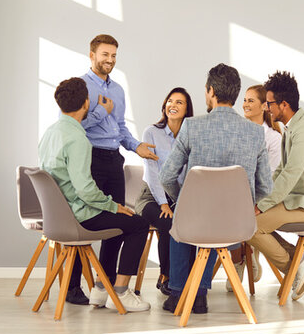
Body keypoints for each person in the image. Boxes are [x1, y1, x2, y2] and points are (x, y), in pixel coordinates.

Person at [159, 63, 272, 313]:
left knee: (184, 213)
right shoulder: (255, 133)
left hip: (196, 219)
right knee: (214, 220)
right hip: (236, 224)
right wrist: (247, 203)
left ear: (210, 91)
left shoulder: (192, 126)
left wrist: (182, 199)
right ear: (235, 93)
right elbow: (266, 186)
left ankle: (177, 293)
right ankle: (199, 293)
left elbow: (166, 176)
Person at [38, 77, 151, 312]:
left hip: (60, 216)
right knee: (138, 224)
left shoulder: (50, 133)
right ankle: (120, 292)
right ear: (87, 103)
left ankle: (102, 289)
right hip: (79, 215)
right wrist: (113, 206)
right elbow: (85, 190)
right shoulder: (78, 138)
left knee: (127, 220)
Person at [63, 34, 160, 305]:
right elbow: (72, 126)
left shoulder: (117, 89)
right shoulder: (80, 87)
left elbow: (120, 127)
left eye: (114, 55)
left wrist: (135, 146)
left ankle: (102, 288)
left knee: (116, 227)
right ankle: (71, 289)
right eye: (105, 54)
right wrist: (99, 113)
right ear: (92, 54)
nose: (110, 60)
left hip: (113, 159)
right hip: (89, 158)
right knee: (84, 220)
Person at [246, 71, 304, 301]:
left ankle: (294, 267)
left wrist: (262, 206)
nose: (267, 108)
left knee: (249, 227)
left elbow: (290, 176)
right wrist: (261, 198)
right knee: (250, 222)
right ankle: (298, 260)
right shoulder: (293, 126)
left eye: (270, 103)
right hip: (300, 198)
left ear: (283, 105)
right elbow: (280, 171)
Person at [134, 87, 194, 296]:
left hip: (178, 195)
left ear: (187, 109)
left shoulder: (191, 136)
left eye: (179, 102)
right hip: (151, 196)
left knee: (191, 222)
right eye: (170, 101)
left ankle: (189, 277)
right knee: (167, 221)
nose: (173, 105)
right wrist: (163, 203)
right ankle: (167, 276)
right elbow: (152, 173)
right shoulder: (151, 132)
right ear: (164, 105)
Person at [229, 85, 283, 284]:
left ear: (264, 106)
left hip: (260, 197)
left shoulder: (274, 138)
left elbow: (274, 177)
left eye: (251, 101)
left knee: (237, 213)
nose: (245, 104)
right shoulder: (237, 133)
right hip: (237, 192)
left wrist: (256, 201)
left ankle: (246, 253)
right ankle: (239, 258)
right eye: (244, 100)